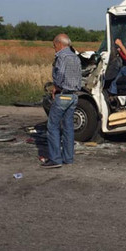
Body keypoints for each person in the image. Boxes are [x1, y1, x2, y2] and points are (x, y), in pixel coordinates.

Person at [42, 33, 82, 169]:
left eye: (54, 45)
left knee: (52, 126)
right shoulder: (75, 57)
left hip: (63, 95)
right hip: (74, 96)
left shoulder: (61, 57)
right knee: (68, 127)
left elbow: (60, 74)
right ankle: (68, 158)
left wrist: (56, 87)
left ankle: (55, 159)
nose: (54, 48)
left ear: (60, 44)